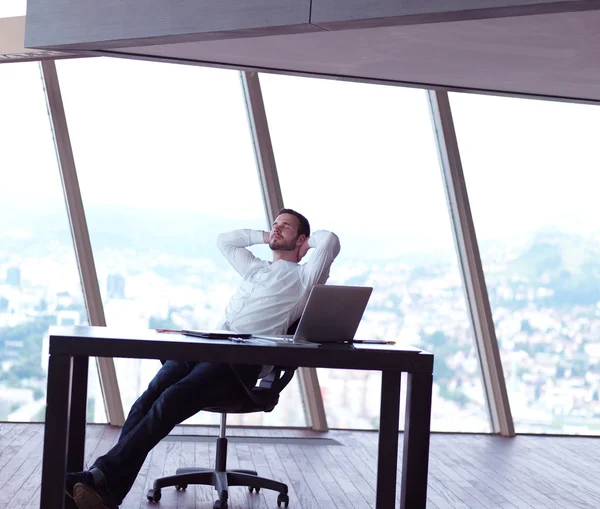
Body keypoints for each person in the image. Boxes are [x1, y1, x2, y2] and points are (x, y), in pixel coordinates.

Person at [67, 208, 340, 509]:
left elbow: (329, 242)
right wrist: (267, 235)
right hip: (209, 345)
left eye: (285, 227)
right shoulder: (256, 269)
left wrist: (306, 244)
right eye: (274, 224)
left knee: (171, 399)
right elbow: (226, 241)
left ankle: (99, 478)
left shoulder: (304, 277)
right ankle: (105, 488)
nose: (276, 229)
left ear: (301, 238)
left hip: (240, 364)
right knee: (146, 401)